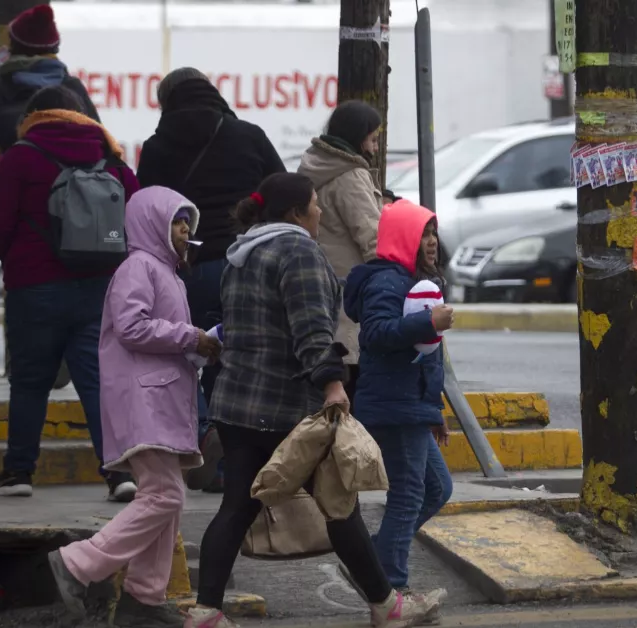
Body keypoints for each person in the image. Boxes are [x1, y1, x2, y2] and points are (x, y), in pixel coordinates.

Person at [188, 173, 443, 628]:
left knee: (237, 507)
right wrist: (332, 384)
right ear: (296, 213)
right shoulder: (298, 251)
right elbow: (311, 331)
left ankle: (206, 610)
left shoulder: (242, 254)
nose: (320, 211)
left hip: (236, 403)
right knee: (340, 506)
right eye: (314, 204)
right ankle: (386, 606)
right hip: (285, 405)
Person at [47, 187, 220, 627]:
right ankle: (79, 563)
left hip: (162, 400)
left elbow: (162, 333)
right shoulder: (138, 267)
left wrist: (200, 346)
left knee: (167, 499)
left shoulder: (167, 274)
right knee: (165, 495)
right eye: (177, 221)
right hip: (145, 401)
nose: (185, 230)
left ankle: (143, 598)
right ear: (152, 224)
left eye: (188, 222)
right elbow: (131, 326)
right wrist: (190, 337)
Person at [0, 85, 140, 501]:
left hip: (34, 288)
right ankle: (119, 473)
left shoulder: (20, 157)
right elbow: (137, 215)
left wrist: (17, 259)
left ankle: (19, 472)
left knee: (30, 382)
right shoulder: (111, 158)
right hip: (98, 288)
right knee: (97, 382)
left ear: (32, 117)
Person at [136, 68, 287, 494]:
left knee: (185, 355)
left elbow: (146, 206)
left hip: (188, 270)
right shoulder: (249, 136)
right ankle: (230, 463)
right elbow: (280, 193)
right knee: (234, 362)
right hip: (247, 266)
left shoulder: (157, 147)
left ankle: (202, 433)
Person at [342, 199, 454, 596]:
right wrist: (428, 321)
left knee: (437, 489)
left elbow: (426, 358)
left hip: (412, 405)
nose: (432, 242)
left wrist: (434, 409)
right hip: (394, 406)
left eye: (433, 233)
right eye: (423, 234)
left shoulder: (411, 280)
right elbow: (375, 334)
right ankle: (390, 587)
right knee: (408, 495)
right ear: (404, 238)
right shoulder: (386, 281)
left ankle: (371, 565)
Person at [0, 3, 100, 211]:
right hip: (73, 215)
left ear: (14, 47)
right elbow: (101, 151)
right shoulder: (74, 89)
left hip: (16, 211)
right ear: (54, 49)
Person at [298, 100, 384, 401]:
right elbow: (372, 237)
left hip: (324, 287)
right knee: (352, 389)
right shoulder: (350, 175)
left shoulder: (314, 165)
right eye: (372, 139)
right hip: (352, 293)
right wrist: (389, 282)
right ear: (358, 137)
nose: (375, 148)